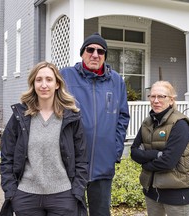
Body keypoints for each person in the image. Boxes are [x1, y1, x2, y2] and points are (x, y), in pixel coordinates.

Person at [0, 61, 88, 216]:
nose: (44, 85)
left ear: (57, 84)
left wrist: (77, 191)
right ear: (33, 84)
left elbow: (82, 159)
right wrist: (12, 192)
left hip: (63, 196)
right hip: (26, 197)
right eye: (39, 80)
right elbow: (7, 157)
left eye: (49, 79)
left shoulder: (71, 118)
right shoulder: (20, 117)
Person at [60, 32, 130, 216]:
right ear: (82, 53)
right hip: (73, 163)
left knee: (101, 212)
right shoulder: (65, 76)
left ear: (105, 56)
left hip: (103, 163)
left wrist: (115, 150)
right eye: (90, 50)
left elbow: (123, 117)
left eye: (100, 51)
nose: (95, 54)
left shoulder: (116, 81)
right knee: (72, 211)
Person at [130, 80, 189, 216]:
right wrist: (156, 154)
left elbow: (168, 161)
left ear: (171, 100)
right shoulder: (147, 122)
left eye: (161, 96)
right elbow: (134, 152)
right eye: (152, 96)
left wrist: (146, 164)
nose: (156, 100)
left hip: (177, 193)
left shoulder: (180, 125)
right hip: (152, 190)